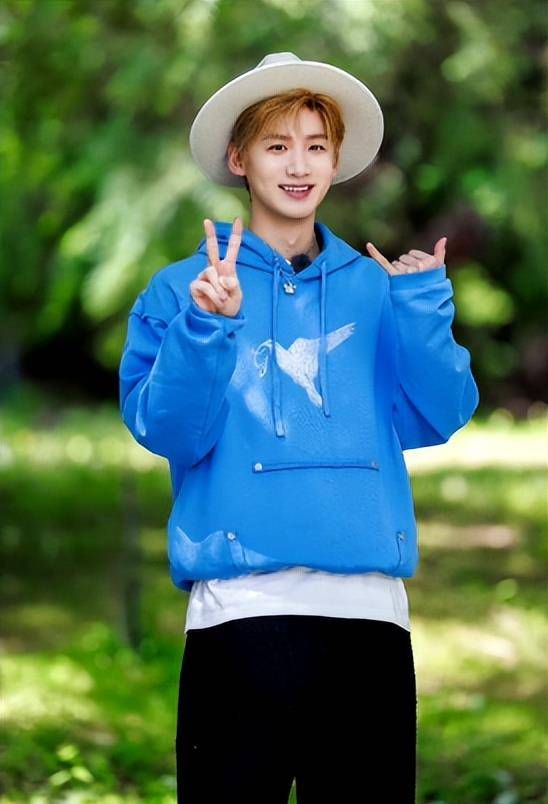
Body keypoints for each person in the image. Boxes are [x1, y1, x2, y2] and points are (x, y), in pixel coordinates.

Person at [119, 52, 480, 803]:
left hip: (369, 615)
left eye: (316, 145)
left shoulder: (380, 288)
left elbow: (439, 414)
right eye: (277, 145)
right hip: (239, 613)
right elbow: (171, 432)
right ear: (239, 158)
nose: (298, 165)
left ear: (336, 161)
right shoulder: (182, 290)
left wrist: (422, 308)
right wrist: (205, 326)